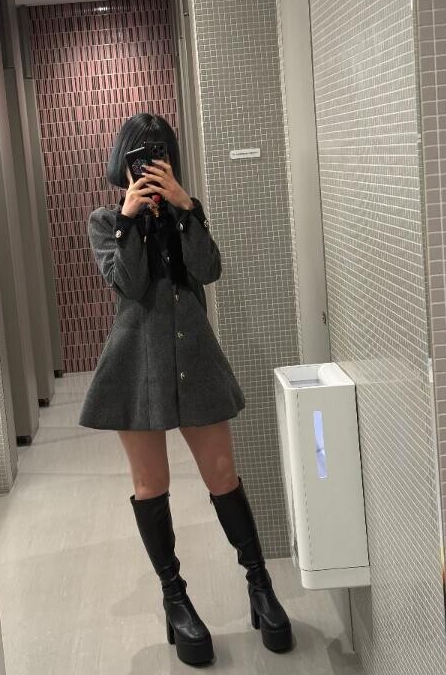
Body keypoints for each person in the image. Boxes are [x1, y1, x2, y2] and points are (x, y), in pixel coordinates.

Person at [79, 113, 292, 665]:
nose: (151, 164)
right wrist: (130, 219)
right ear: (123, 162)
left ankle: (260, 586)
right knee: (151, 484)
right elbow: (128, 283)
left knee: (223, 476)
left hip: (194, 359)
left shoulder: (184, 211)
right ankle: (176, 600)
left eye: (160, 153)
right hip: (136, 367)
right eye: (141, 154)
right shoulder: (106, 221)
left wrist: (186, 207)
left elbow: (208, 269)